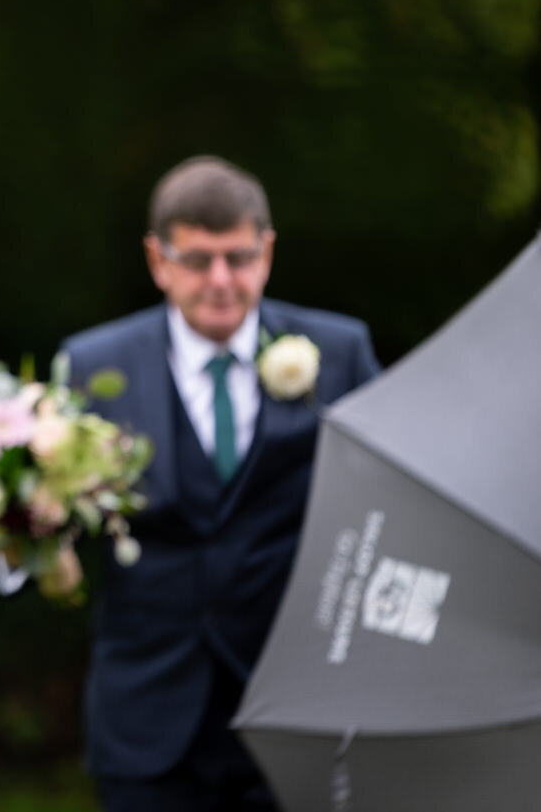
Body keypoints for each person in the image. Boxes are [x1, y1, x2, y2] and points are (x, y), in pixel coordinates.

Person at [62, 156, 381, 811]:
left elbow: (385, 502)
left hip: (297, 705)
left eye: (238, 258)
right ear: (158, 258)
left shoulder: (340, 351)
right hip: (146, 716)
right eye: (197, 259)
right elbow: (50, 512)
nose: (220, 280)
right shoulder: (94, 363)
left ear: (266, 250)